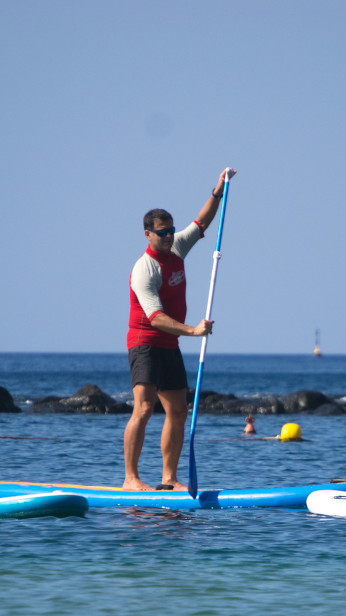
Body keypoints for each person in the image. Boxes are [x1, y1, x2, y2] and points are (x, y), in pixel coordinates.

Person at [123, 167, 235, 491]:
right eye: (162, 232)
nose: (169, 236)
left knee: (178, 411)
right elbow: (155, 318)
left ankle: (168, 479)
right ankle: (131, 479)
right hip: (145, 342)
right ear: (148, 234)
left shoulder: (176, 248)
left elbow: (202, 222)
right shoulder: (144, 269)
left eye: (171, 230)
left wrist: (219, 188)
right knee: (143, 408)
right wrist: (193, 331)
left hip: (170, 346)